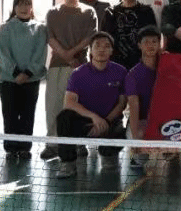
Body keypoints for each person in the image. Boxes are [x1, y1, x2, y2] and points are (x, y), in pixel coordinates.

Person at [55, 32, 128, 179]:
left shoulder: (121, 71)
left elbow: (122, 103)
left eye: (106, 46)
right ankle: (67, 163)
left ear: (111, 50)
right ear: (90, 50)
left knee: (121, 130)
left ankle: (109, 155)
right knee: (64, 117)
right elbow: (69, 102)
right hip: (87, 122)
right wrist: (94, 117)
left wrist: (105, 121)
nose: (101, 49)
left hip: (110, 121)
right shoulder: (78, 74)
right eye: (97, 46)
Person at [41, 0, 98, 161]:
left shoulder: (89, 12)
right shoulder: (53, 12)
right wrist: (65, 56)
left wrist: (72, 54)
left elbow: (91, 36)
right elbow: (50, 37)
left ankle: (79, 143)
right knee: (54, 105)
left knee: (80, 105)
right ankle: (52, 144)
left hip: (80, 66)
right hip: (57, 66)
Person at [0, 0, 48, 160]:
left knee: (27, 115)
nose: (24, 8)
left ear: (31, 8)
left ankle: (25, 148)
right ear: (14, 8)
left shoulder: (40, 28)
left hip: (31, 80)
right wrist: (15, 73)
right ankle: (11, 148)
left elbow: (40, 52)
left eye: (27, 4)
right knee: (10, 115)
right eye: (20, 5)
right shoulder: (5, 28)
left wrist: (28, 73)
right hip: (9, 80)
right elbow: (2, 53)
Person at [102, 0, 157, 69]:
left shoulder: (146, 12)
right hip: (115, 62)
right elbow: (104, 38)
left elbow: (154, 37)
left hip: (141, 61)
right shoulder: (111, 12)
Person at [125, 25, 161, 168]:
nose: (150, 45)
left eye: (154, 41)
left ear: (159, 44)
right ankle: (138, 155)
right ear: (139, 45)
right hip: (143, 121)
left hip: (165, 120)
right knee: (140, 140)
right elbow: (133, 107)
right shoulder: (133, 75)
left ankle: (172, 153)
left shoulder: (167, 67)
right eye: (146, 42)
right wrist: (136, 140)